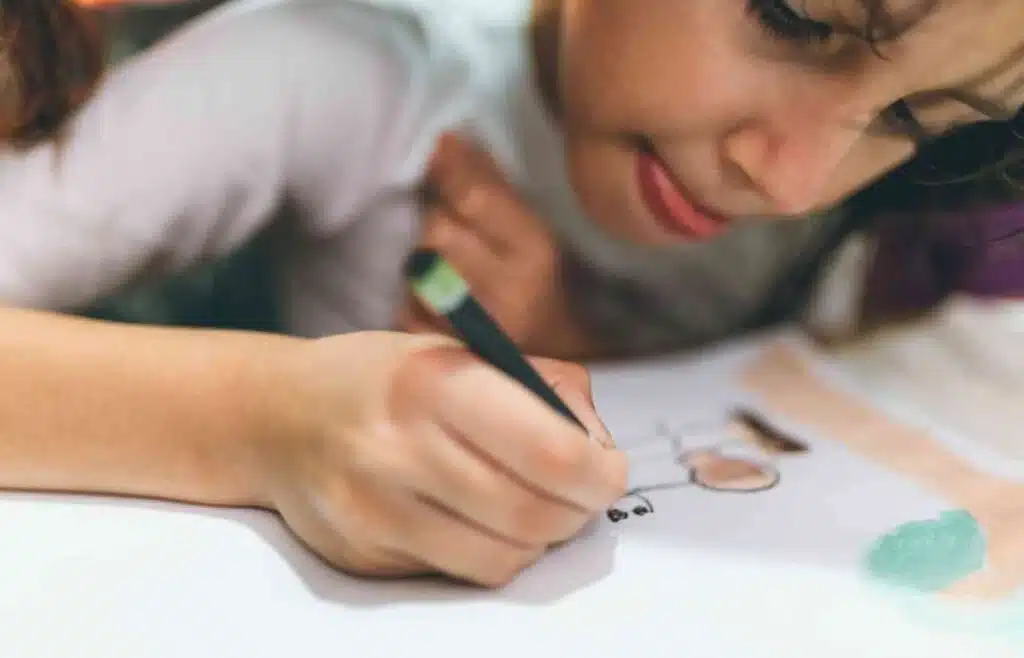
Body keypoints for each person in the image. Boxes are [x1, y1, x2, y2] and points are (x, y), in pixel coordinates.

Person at [0, 0, 1022, 589]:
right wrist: (266, 417)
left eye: (914, 121)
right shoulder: (345, 68)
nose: (794, 180)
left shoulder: (854, 210)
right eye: (794, 12)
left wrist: (583, 347)